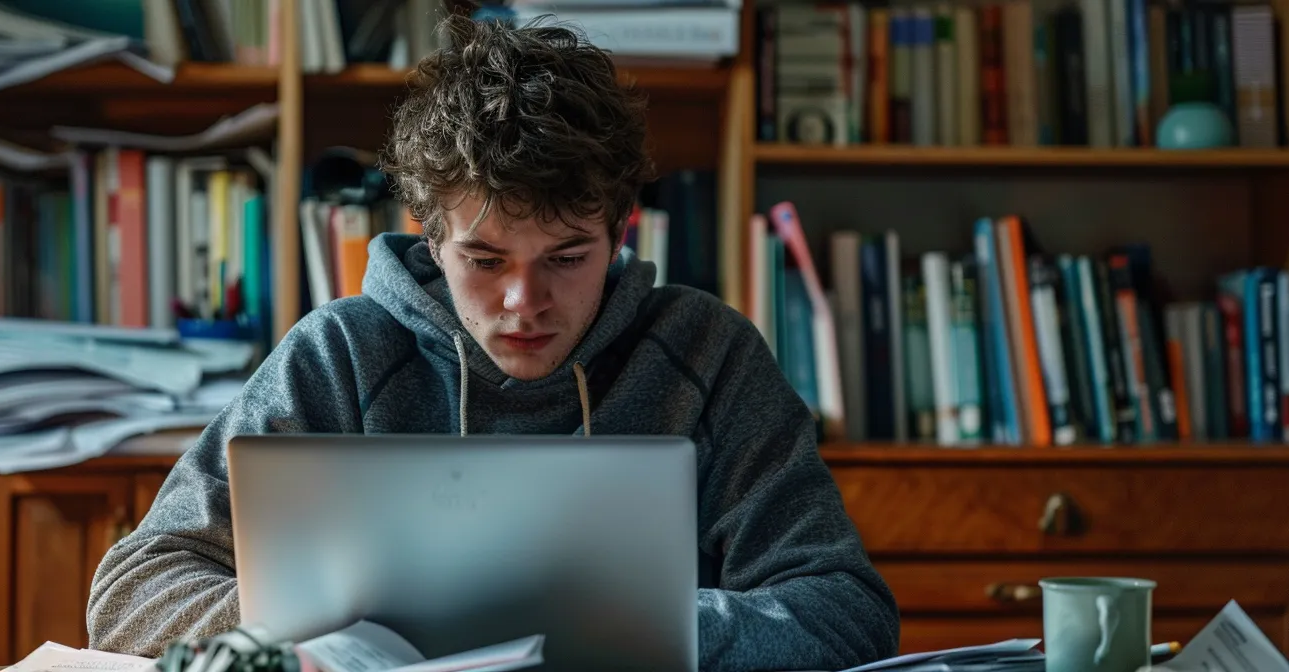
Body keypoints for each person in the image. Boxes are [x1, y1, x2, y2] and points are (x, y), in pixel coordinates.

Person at [87, 15, 899, 672]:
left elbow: (845, 611)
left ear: (619, 234)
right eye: (484, 260)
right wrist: (344, 625)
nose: (524, 303)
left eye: (567, 258)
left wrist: (606, 630)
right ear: (431, 240)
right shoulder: (340, 355)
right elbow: (131, 592)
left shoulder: (707, 354)